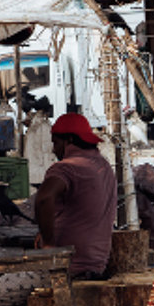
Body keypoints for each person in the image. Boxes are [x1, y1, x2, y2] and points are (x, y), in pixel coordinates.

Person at [35, 112, 117, 280]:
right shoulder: (104, 166)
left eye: (56, 143)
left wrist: (48, 243)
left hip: (67, 268)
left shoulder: (66, 168)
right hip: (97, 265)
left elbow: (44, 199)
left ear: (69, 140)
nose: (54, 150)